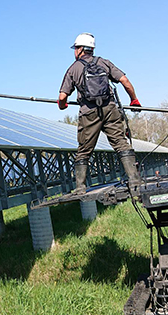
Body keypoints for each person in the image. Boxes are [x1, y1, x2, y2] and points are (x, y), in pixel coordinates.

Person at [58, 32, 141, 196]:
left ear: (81, 49)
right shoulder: (104, 62)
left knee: (84, 150)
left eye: (75, 48)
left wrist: (63, 105)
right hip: (110, 110)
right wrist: (134, 100)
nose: (74, 51)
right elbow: (125, 81)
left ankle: (80, 188)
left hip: (88, 113)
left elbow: (62, 97)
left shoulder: (73, 69)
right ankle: (134, 181)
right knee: (121, 143)